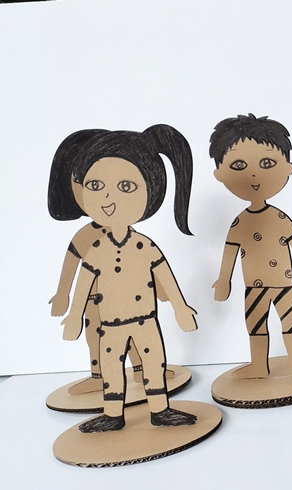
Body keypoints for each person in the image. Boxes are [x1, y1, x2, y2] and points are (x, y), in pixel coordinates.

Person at [59, 125, 199, 432]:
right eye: (95, 185)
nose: (108, 197)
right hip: (110, 325)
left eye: (126, 186)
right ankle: (113, 414)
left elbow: (164, 275)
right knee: (112, 369)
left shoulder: (145, 246)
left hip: (145, 321)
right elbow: (84, 282)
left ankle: (160, 410)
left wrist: (180, 307)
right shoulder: (96, 249)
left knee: (153, 364)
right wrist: (74, 315)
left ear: (151, 191)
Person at [48, 130, 173, 394]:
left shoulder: (134, 237)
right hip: (94, 302)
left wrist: (162, 290)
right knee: (96, 339)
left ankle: (143, 372)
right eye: (94, 184)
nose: (107, 197)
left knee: (138, 339)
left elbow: (147, 263)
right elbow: (73, 265)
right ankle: (99, 377)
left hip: (131, 300)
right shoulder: (85, 237)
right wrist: (63, 295)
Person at [210, 114, 292, 378]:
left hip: (284, 284)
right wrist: (223, 280)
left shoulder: (280, 219)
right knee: (255, 325)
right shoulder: (239, 222)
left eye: (267, 163)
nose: (253, 174)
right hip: (254, 286)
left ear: (288, 168)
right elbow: (230, 251)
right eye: (239, 165)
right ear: (220, 174)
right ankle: (258, 365)